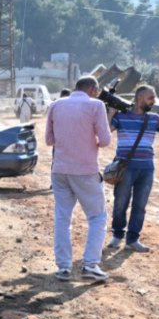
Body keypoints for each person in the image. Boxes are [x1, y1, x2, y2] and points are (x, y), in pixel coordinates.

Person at [45, 75, 113, 282]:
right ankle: (90, 265)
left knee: (62, 218)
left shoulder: (55, 105)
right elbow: (105, 141)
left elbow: (49, 140)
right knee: (97, 218)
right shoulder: (96, 106)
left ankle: (64, 268)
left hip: (60, 169)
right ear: (93, 89)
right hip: (85, 171)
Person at [105, 85, 159, 252]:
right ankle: (118, 236)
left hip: (147, 168)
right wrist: (111, 113)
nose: (153, 102)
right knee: (120, 204)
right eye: (151, 98)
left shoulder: (154, 119)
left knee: (140, 206)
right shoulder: (121, 116)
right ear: (140, 99)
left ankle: (132, 240)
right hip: (125, 168)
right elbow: (105, 133)